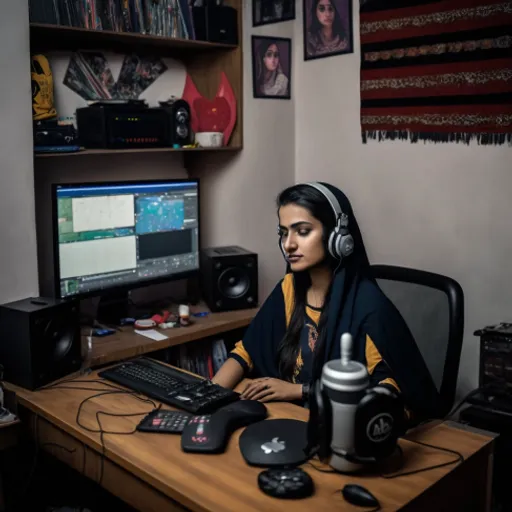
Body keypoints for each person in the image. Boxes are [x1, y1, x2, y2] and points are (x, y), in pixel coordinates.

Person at [212, 182, 439, 423]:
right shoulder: (289, 289)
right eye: (284, 232)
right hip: (287, 419)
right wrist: (206, 397)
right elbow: (246, 351)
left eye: (302, 231)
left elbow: (387, 393)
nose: (288, 244)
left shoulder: (368, 307)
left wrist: (299, 390)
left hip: (338, 429)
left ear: (337, 238)